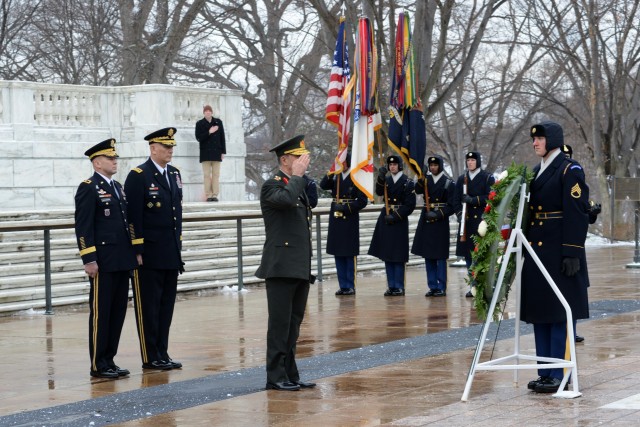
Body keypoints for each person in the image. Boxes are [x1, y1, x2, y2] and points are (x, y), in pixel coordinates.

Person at [523, 121, 590, 394]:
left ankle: (561, 372)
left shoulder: (569, 169)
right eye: (535, 139)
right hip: (539, 251)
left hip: (560, 250)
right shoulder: (537, 170)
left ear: (551, 139)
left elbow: (577, 213)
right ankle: (545, 371)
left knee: (561, 314)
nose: (535, 143)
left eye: (539, 138)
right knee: (542, 312)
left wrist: (572, 251)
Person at [255, 134, 317, 392]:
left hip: (299, 265)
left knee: (293, 325)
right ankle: (275, 376)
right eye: (297, 157)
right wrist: (298, 177)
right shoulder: (273, 186)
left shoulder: (296, 184)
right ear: (284, 159)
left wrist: (302, 178)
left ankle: (291, 373)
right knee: (279, 325)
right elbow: (286, 200)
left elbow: (309, 201)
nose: (303, 161)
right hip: (280, 266)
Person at [74, 138, 137, 379]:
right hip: (103, 261)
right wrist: (88, 258)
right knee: (101, 313)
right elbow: (83, 226)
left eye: (115, 158)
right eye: (110, 158)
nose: (115, 161)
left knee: (118, 312)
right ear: (97, 162)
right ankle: (98, 364)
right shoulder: (88, 187)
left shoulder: (117, 186)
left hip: (121, 259)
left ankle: (109, 359)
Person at [125, 127, 184, 371]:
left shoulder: (174, 173)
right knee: (148, 307)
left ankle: (162, 351)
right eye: (166, 147)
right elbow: (132, 216)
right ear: (153, 148)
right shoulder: (139, 175)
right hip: (148, 253)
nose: (170, 151)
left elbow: (176, 213)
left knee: (166, 307)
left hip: (170, 251)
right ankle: (151, 356)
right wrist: (136, 248)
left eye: (172, 147)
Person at [562, 144, 601, 343]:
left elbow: (582, 211)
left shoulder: (575, 176)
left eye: (568, 155)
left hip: (575, 245)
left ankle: (572, 329)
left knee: (575, 289)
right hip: (559, 242)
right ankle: (564, 330)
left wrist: (592, 213)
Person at [319, 153, 368, 295]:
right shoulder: (337, 176)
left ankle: (350, 285)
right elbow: (323, 185)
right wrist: (331, 172)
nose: (342, 164)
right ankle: (343, 285)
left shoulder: (356, 177)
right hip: (336, 217)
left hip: (349, 217)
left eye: (344, 162)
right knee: (338, 252)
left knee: (349, 252)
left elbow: (362, 201)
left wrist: (346, 208)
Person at [368, 155, 416, 296]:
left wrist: (395, 216)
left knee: (398, 254)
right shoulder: (387, 180)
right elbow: (378, 192)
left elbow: (410, 205)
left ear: (400, 166)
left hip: (398, 219)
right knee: (388, 253)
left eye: (395, 164)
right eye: (390, 165)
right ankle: (391, 285)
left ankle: (399, 285)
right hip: (386, 218)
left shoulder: (407, 182)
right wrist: (381, 177)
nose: (392, 166)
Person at [453, 151, 495, 297]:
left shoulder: (487, 178)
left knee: (482, 255)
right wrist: (459, 214)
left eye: (472, 160)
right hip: (467, 222)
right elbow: (455, 199)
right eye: (468, 160)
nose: (470, 162)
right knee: (469, 257)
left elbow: (491, 197)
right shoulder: (461, 179)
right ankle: (473, 286)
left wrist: (474, 200)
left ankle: (483, 286)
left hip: (481, 222)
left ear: (478, 161)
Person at [411, 156, 455, 297]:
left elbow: (452, 206)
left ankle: (441, 286)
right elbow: (417, 190)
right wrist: (420, 176)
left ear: (440, 166)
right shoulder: (426, 181)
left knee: (440, 255)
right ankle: (432, 286)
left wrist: (438, 214)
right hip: (427, 219)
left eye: (435, 165)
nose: (433, 167)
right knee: (428, 255)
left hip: (440, 221)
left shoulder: (448, 183)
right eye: (431, 165)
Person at [195, 105, 226, 202]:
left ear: (212, 112)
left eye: (209, 111)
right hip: (205, 153)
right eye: (206, 111)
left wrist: (223, 152)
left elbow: (222, 138)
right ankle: (208, 195)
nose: (208, 112)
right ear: (203, 113)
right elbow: (199, 138)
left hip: (217, 152)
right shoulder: (199, 123)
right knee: (206, 175)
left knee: (216, 175)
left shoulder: (218, 122)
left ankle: (215, 195)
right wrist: (209, 132)